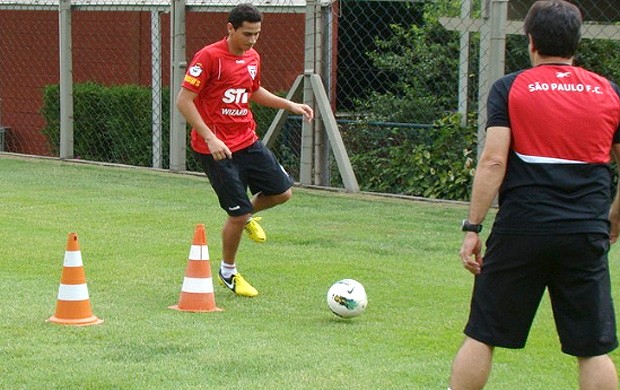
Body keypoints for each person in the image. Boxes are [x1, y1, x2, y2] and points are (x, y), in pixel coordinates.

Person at [448, 1, 620, 389]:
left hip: (521, 229)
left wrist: (473, 227)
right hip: (584, 232)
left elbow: (494, 162)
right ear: (577, 42)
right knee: (592, 347)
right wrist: (613, 218)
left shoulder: (511, 88)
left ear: (530, 42)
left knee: (482, 334)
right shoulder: (609, 92)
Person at [176, 4, 313, 298]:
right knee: (237, 215)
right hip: (216, 149)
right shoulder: (209, 57)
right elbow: (184, 101)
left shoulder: (252, 57)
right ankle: (228, 272)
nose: (252, 40)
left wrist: (289, 104)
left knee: (282, 193)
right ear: (230, 28)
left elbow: (253, 91)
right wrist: (211, 138)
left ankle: (246, 215)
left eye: (257, 34)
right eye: (247, 34)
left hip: (247, 140)